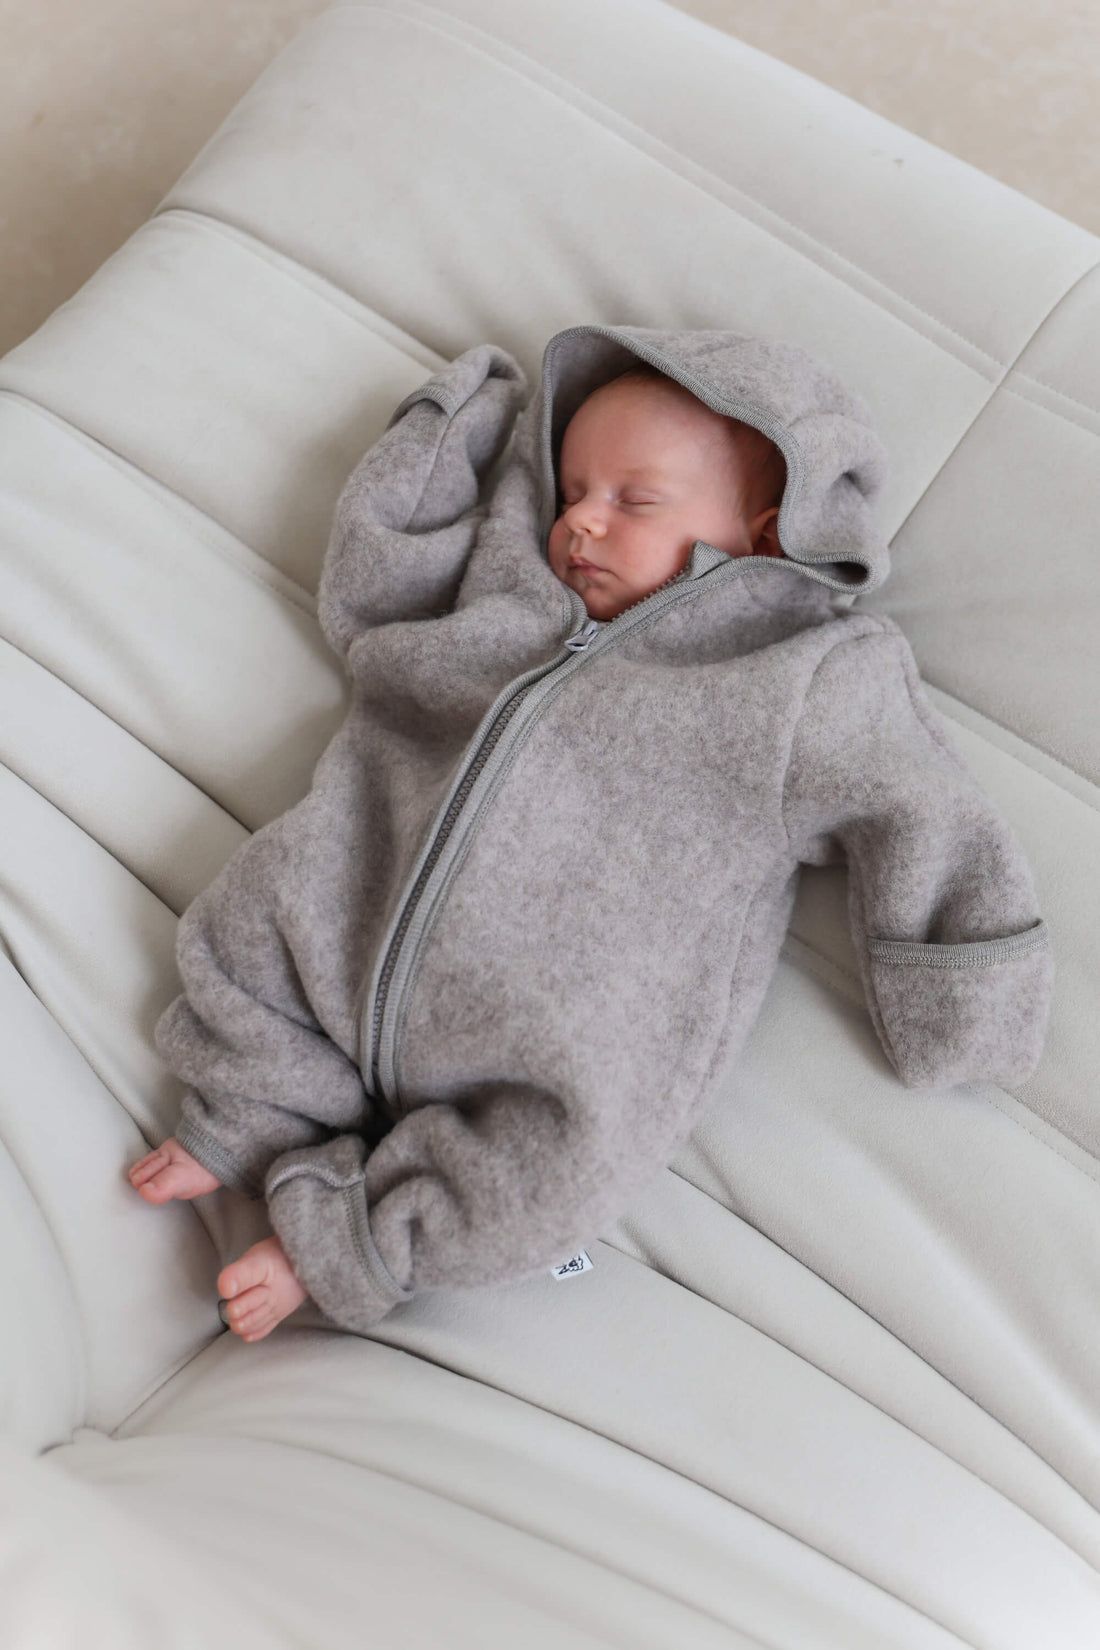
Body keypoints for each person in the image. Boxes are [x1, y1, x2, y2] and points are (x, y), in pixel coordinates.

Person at [129, 324, 1053, 1344]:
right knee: (253, 927)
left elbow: (923, 807)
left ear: (758, 533)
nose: (582, 524)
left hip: (555, 1036)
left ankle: (340, 1240)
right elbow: (374, 596)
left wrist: (964, 1001)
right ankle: (243, 1117)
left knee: (553, 1179)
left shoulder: (802, 681)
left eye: (633, 501)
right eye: (569, 490)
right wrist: (439, 439)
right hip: (353, 899)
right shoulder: (511, 588)